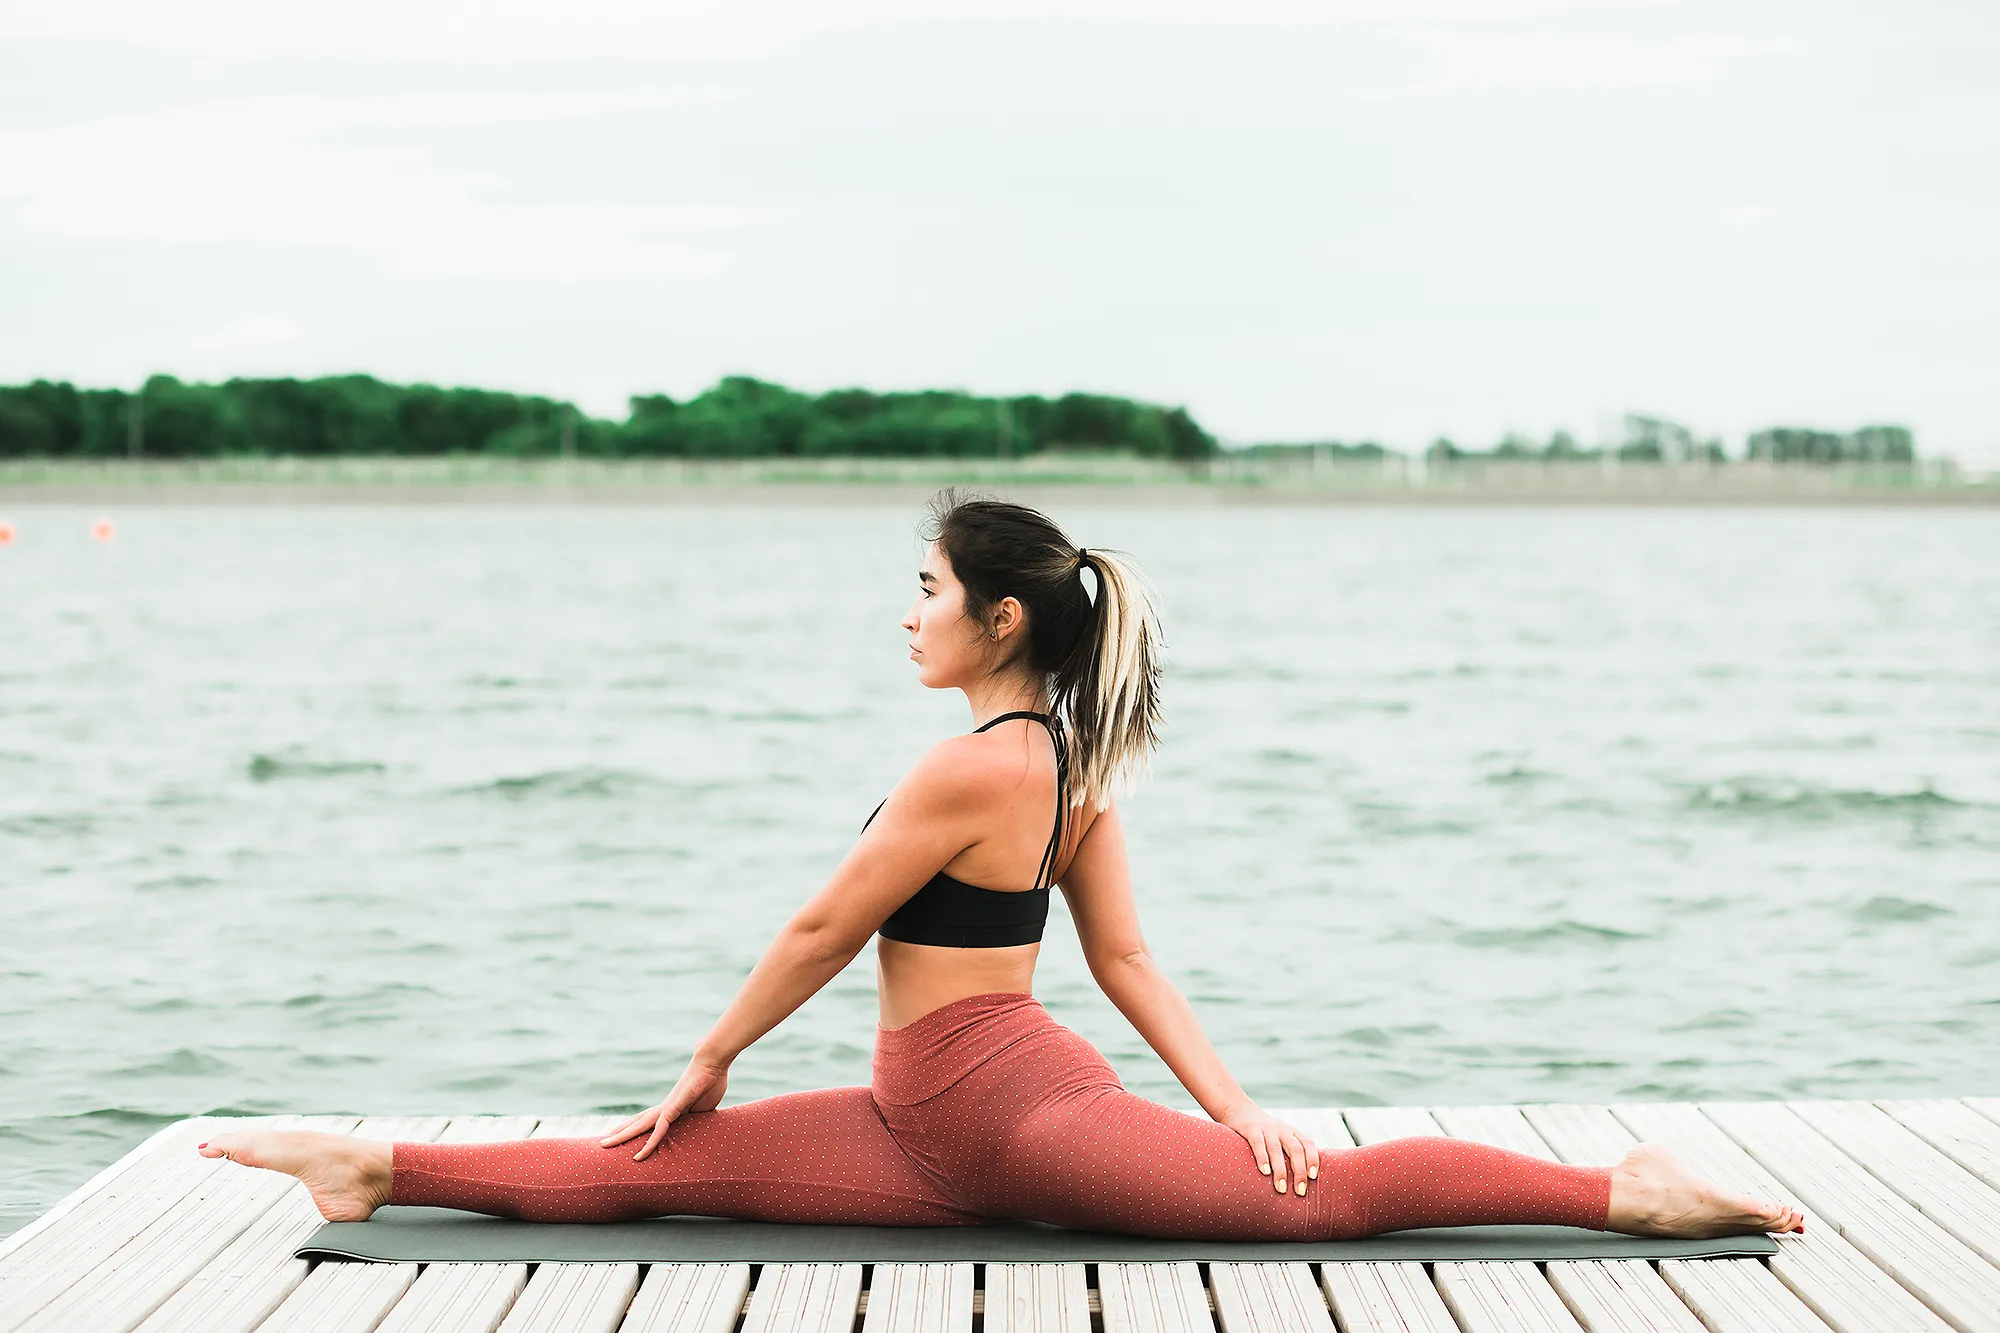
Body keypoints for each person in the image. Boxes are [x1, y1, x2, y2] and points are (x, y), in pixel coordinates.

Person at [200, 492, 1802, 1240]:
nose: (908, 613)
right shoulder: (1067, 762)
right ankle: (376, 1166)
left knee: (1319, 1209)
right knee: (654, 1177)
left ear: (1001, 617)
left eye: (926, 589)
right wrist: (1224, 1098)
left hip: (1005, 1113)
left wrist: (709, 1054)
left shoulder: (977, 763)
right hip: (942, 1109)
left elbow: (828, 924)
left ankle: (1617, 1194)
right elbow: (1125, 965)